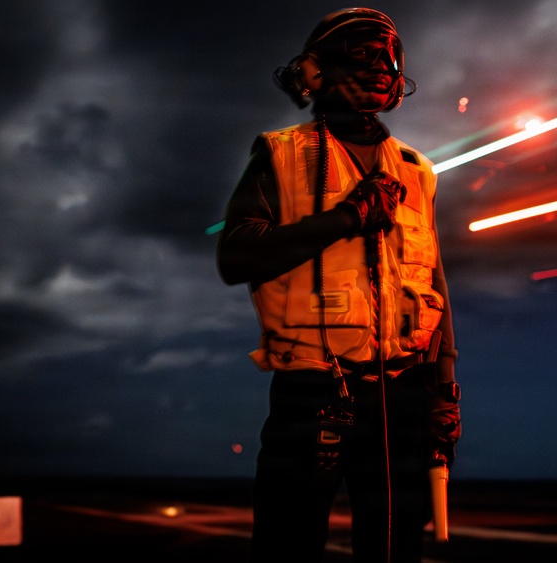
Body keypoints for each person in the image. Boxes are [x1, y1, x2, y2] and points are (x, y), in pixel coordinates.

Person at [216, 8, 461, 563]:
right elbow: (237, 256)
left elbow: (435, 285)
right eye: (364, 52)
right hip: (312, 396)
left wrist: (444, 393)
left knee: (397, 552)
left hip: (403, 399)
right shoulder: (280, 154)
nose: (382, 67)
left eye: (391, 56)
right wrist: (345, 219)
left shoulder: (416, 171)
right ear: (313, 71)